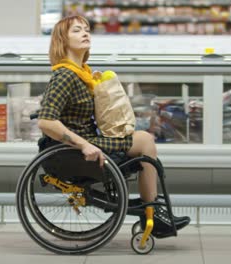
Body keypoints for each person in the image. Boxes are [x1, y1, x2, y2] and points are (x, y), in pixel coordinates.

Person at [37, 15, 190, 236]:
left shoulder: (83, 74)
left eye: (87, 29)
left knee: (146, 141)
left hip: (86, 140)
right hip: (74, 149)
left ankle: (153, 210)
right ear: (62, 39)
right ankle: (153, 213)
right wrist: (83, 145)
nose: (85, 33)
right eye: (77, 30)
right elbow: (46, 121)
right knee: (145, 142)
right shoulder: (65, 75)